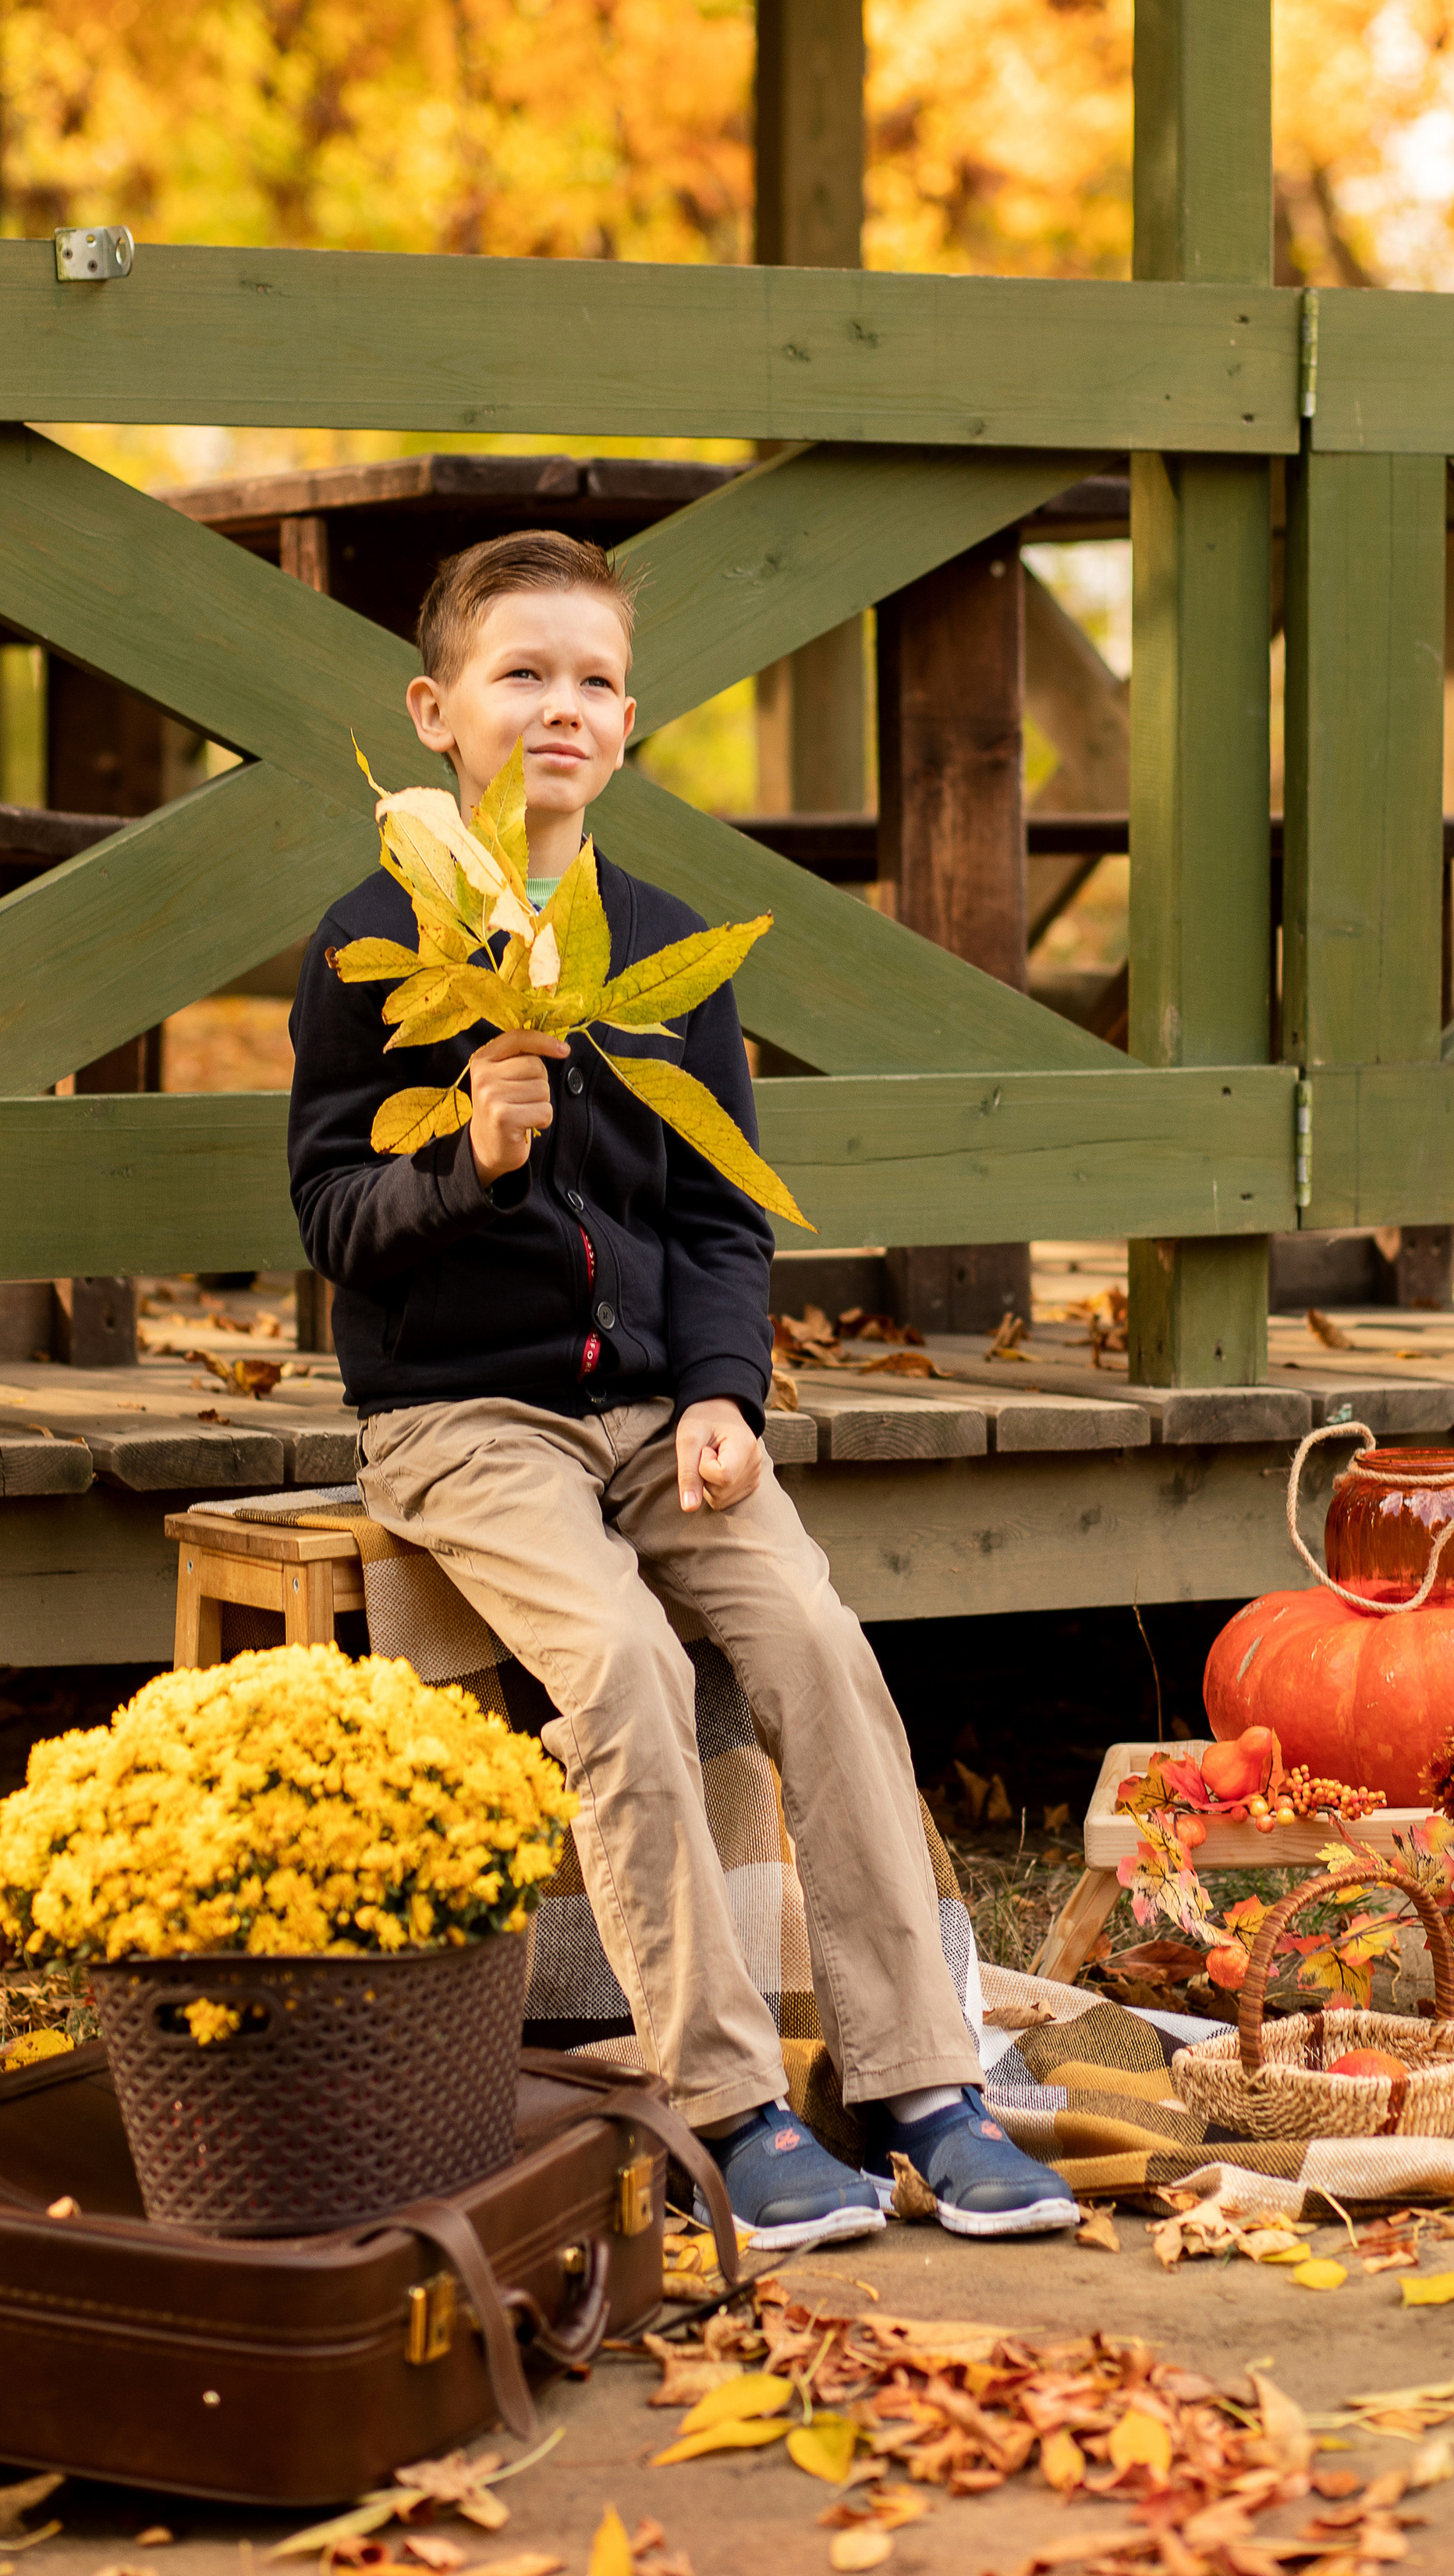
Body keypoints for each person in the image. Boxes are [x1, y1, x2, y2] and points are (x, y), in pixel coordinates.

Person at [287, 528, 1078, 2245]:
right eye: (519, 673)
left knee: (807, 1635)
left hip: (663, 1420)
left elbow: (720, 1217)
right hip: (462, 1422)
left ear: (626, 727)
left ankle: (916, 2078)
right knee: (629, 1666)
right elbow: (335, 1218)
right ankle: (722, 2093)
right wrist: (475, 1158)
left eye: (588, 680)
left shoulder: (657, 951)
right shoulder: (372, 946)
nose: (555, 706)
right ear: (435, 712)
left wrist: (728, 1394)